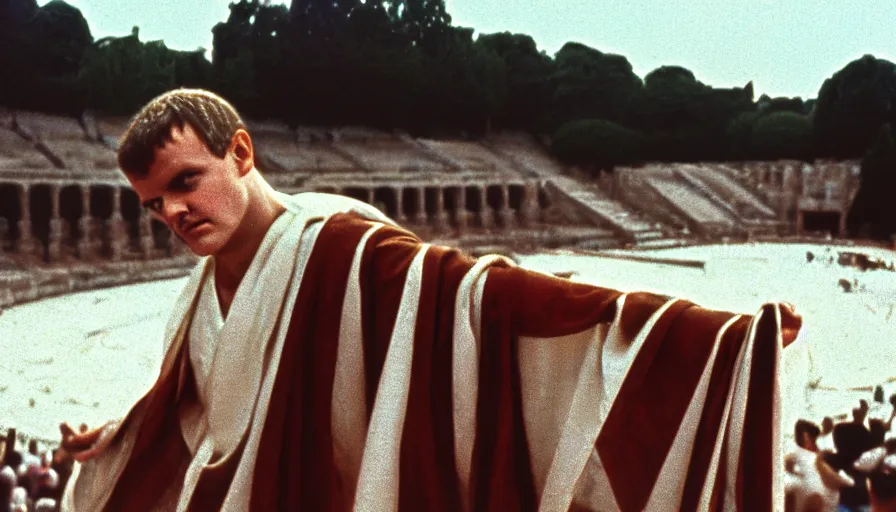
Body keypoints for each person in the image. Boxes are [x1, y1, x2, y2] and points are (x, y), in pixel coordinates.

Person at [59, 88, 803, 511]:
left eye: (186, 181)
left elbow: (491, 295)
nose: (175, 213)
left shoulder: (341, 245)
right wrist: (122, 429)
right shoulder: (198, 289)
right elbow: (206, 397)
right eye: (155, 204)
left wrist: (711, 333)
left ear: (242, 153)